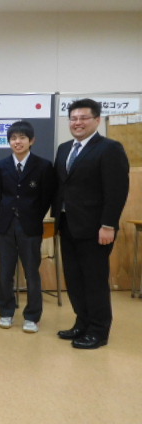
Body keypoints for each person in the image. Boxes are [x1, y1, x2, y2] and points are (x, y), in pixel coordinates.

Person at [52, 98, 129, 349]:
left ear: (97, 120)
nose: (78, 122)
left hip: (96, 229)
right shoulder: (64, 148)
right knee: (74, 279)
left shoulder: (109, 148)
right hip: (68, 225)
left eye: (83, 118)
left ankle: (98, 331)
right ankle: (82, 323)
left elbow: (117, 190)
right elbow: (61, 186)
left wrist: (108, 225)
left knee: (94, 281)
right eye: (73, 118)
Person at [0, 121, 55, 333]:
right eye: (13, 138)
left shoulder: (43, 166)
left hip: (30, 226)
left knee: (31, 273)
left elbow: (46, 198)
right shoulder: (0, 166)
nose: (17, 142)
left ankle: (32, 316)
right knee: (5, 272)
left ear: (31, 140)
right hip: (5, 225)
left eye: (22, 138)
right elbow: (0, 196)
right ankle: (6, 312)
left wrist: (31, 215)